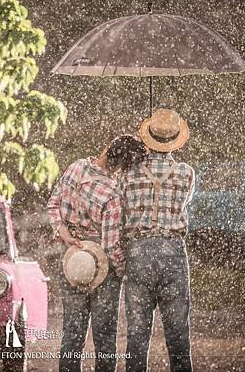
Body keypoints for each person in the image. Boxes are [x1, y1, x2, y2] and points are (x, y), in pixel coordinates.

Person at [47, 135, 145, 372]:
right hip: (102, 266)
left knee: (72, 331)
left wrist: (66, 235)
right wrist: (122, 271)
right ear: (123, 165)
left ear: (108, 147)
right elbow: (110, 246)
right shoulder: (113, 193)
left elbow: (53, 205)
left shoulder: (76, 167)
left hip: (71, 259)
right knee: (104, 336)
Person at [120, 108, 195, 372]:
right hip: (173, 250)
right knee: (178, 335)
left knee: (137, 335)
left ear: (147, 136)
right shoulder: (187, 172)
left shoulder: (129, 173)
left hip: (138, 251)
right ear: (175, 138)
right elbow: (183, 203)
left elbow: (124, 210)